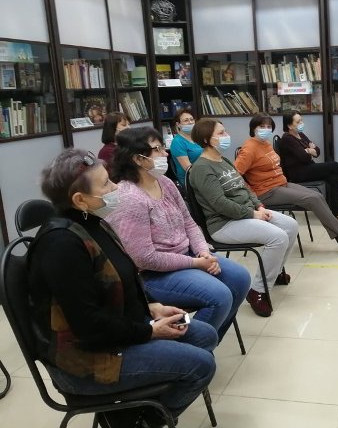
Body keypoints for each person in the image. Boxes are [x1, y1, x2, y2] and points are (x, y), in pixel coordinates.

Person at [28, 148, 216, 426]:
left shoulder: (94, 222)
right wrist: (150, 331)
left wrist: (153, 306)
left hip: (120, 327)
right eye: (106, 184)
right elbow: (88, 325)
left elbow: (124, 276)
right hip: (88, 359)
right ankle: (145, 421)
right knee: (202, 366)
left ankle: (130, 411)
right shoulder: (62, 244)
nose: (116, 188)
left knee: (204, 336)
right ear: (80, 199)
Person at [106, 127, 251, 340]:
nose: (165, 153)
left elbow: (189, 222)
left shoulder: (164, 182)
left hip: (187, 257)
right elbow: (144, 258)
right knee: (219, 296)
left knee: (240, 278)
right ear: (138, 159)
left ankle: (205, 343)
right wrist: (196, 263)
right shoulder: (130, 198)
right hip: (153, 274)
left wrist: (203, 252)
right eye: (157, 149)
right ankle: (191, 348)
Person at [189, 118, 299, 317]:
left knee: (290, 225)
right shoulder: (201, 168)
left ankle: (273, 273)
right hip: (224, 224)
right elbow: (219, 203)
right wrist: (253, 214)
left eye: (225, 131)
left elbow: (245, 187)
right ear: (206, 139)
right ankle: (258, 291)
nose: (226, 136)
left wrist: (258, 205)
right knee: (278, 237)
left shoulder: (223, 160)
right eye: (221, 133)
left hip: (246, 213)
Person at [235, 113, 338, 253]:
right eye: (262, 126)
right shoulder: (249, 149)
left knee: (317, 196)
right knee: (312, 198)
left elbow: (314, 152)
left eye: (269, 126)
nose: (266, 129)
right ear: (253, 128)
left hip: (281, 184)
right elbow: (235, 175)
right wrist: (251, 194)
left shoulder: (265, 143)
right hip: (267, 191)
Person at [279, 110, 338, 223]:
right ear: (289, 125)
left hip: (308, 168)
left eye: (301, 120)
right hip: (298, 173)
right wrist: (309, 150)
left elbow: (317, 151)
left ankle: (337, 213)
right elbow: (304, 157)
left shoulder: (301, 135)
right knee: (334, 165)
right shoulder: (287, 139)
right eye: (298, 122)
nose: (301, 123)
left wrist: (309, 150)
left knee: (334, 178)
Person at [169, 108, 203, 187]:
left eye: (191, 119)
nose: (190, 122)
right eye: (186, 120)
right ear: (178, 124)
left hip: (205, 174)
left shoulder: (198, 137)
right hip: (191, 180)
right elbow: (188, 168)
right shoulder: (177, 142)